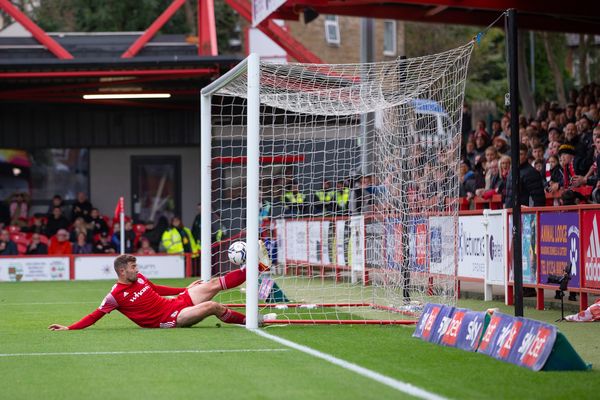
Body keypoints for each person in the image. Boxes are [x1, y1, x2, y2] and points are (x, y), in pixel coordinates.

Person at [48, 247, 273, 331]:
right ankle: (253, 321)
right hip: (170, 319)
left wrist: (183, 289)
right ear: (122, 272)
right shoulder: (114, 296)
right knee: (213, 306)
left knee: (211, 284)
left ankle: (257, 267)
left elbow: (158, 288)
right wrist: (70, 328)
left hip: (175, 303)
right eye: (133, 267)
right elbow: (95, 315)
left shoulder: (141, 279)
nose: (137, 269)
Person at [504, 144, 546, 208]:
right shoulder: (511, 171)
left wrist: (533, 215)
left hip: (525, 214)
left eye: (521, 154)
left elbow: (538, 198)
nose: (517, 156)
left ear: (526, 155)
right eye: (515, 153)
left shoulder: (531, 173)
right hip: (510, 212)